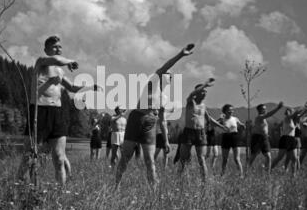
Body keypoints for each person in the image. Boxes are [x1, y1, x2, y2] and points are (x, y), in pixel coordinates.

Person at [17, 36, 102, 186]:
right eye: (55, 47)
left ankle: (60, 193)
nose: (58, 49)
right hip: (39, 110)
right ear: (46, 49)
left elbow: (72, 88)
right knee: (29, 155)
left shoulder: (59, 71)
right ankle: (19, 187)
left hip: (57, 113)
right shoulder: (41, 62)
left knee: (59, 156)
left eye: (60, 47)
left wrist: (91, 86)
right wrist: (68, 62)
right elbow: (56, 62)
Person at [115, 44, 194, 189]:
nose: (169, 77)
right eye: (168, 75)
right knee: (126, 156)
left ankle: (154, 192)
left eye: (170, 76)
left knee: (149, 160)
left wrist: (166, 141)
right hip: (136, 119)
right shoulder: (153, 82)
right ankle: (116, 186)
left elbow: (163, 121)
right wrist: (180, 55)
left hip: (151, 124)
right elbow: (165, 67)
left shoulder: (164, 98)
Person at [177, 81, 227, 182]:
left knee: (202, 158)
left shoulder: (203, 106)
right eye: (202, 91)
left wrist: (221, 126)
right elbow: (191, 94)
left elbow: (209, 119)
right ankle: (179, 180)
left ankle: (205, 182)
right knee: (183, 159)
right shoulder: (191, 102)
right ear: (197, 92)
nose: (205, 93)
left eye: (206, 92)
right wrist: (204, 85)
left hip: (200, 133)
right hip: (188, 133)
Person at [271, 103, 307, 175]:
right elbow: (296, 113)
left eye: (290, 110)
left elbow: (298, 115)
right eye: (289, 110)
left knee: (294, 158)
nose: (290, 112)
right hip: (285, 138)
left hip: (292, 139)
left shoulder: (292, 120)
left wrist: (304, 111)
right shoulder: (287, 118)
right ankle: (270, 170)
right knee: (279, 157)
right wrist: (304, 106)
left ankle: (293, 175)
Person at [247, 102, 284, 175]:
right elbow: (269, 114)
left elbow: (262, 127)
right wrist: (278, 108)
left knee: (268, 156)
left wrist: (266, 134)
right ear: (259, 110)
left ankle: (268, 174)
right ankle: (246, 172)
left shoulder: (263, 119)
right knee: (253, 156)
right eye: (263, 109)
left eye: (265, 109)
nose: (265, 110)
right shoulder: (259, 117)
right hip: (257, 138)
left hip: (264, 138)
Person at [219, 105, 245, 178]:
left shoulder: (235, 119)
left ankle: (241, 175)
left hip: (235, 137)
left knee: (237, 158)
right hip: (225, 137)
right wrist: (220, 119)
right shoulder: (222, 119)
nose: (231, 111)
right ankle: (223, 174)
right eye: (229, 110)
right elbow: (214, 124)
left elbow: (241, 125)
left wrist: (243, 126)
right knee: (225, 159)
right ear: (224, 111)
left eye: (232, 110)